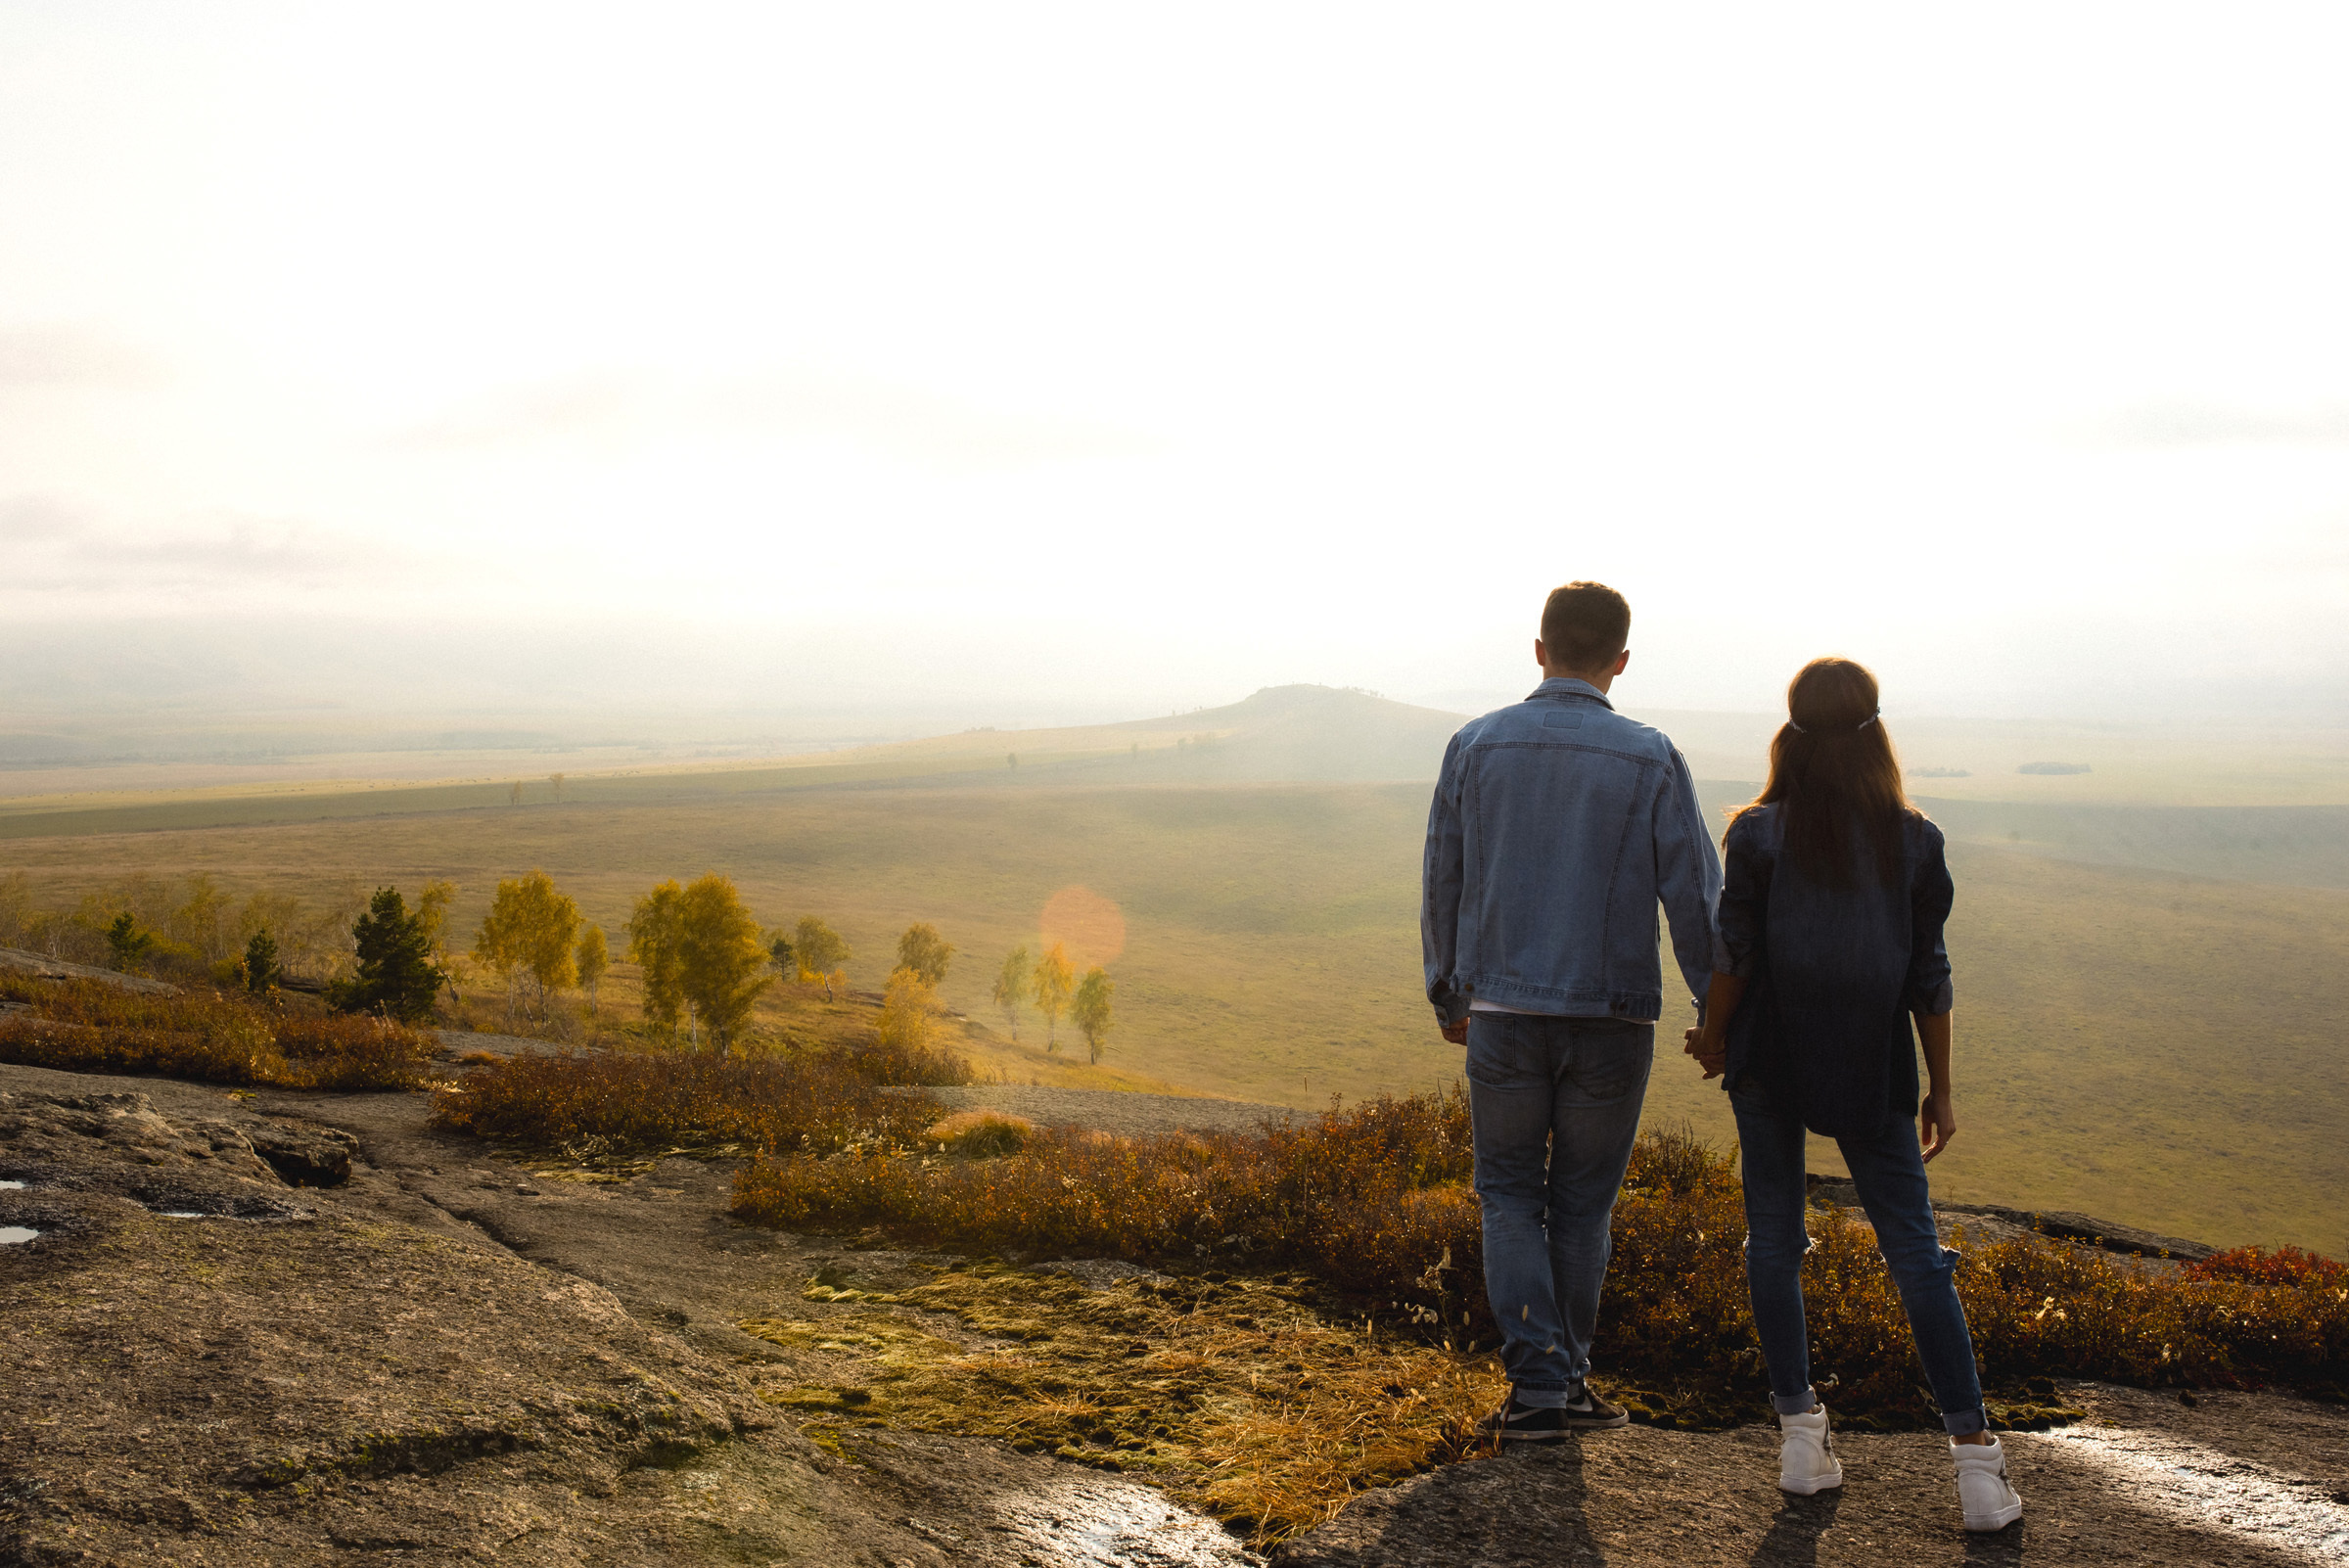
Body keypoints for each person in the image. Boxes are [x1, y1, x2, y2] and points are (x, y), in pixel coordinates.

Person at [1683, 656, 2024, 1533]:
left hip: (1771, 1057)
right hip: (1873, 1064)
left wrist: (1715, 1038)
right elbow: (1929, 977)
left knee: (1774, 1242)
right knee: (1917, 1256)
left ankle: (1801, 1439)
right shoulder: (1915, 839)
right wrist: (1941, 1093)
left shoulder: (1756, 833)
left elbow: (1735, 954)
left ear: (1790, 733)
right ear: (1876, 736)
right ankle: (1977, 1469)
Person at [1422, 581, 1722, 1440]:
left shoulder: (1474, 745)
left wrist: (1449, 988)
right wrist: (1717, 1011)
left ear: (1541, 647)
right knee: (1584, 1206)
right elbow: (1695, 899)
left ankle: (1540, 1391)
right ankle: (1568, 1383)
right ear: (1620, 661)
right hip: (1614, 1017)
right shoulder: (1651, 754)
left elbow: (1444, 875)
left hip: (1504, 1011)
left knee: (1510, 1197)